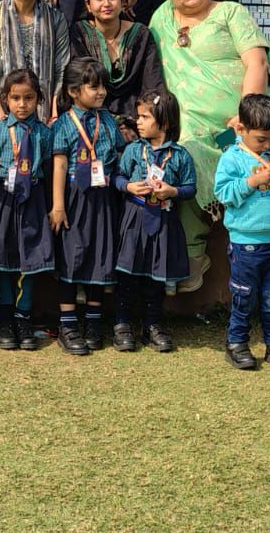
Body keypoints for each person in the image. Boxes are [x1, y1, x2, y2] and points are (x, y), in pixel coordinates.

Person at [148, 0, 270, 292]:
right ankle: (193, 253)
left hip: (240, 116)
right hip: (190, 120)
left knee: (254, 163)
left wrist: (247, 114)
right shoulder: (161, 19)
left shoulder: (231, 12)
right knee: (185, 154)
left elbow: (257, 62)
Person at [213, 94, 270, 371]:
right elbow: (223, 193)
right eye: (261, 139)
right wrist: (253, 181)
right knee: (243, 296)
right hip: (245, 243)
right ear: (241, 129)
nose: (267, 145)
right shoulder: (232, 158)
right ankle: (236, 344)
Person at [49, 57, 122, 356]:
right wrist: (58, 205)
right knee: (72, 256)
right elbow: (59, 164)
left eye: (103, 86)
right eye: (94, 87)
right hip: (74, 198)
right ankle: (67, 325)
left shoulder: (108, 121)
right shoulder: (64, 123)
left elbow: (118, 154)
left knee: (99, 256)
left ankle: (93, 323)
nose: (101, 92)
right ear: (73, 91)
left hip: (103, 198)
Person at [113, 89, 196, 353]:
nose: (138, 122)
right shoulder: (133, 150)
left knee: (155, 277)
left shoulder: (180, 155)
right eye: (138, 116)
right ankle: (122, 324)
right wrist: (128, 187)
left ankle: (152, 325)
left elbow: (190, 188)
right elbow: (117, 176)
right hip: (134, 219)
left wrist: (173, 191)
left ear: (166, 122)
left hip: (164, 220)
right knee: (127, 274)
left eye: (145, 117)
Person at [0, 68, 54, 351]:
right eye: (15, 98)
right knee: (2, 258)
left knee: (30, 260)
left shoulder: (45, 134)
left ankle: (22, 318)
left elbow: (49, 169)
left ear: (38, 99)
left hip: (33, 199)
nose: (22, 104)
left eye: (29, 98)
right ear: (5, 99)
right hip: (3, 199)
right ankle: (4, 321)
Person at [71, 0, 164, 119]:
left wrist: (145, 118)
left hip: (136, 117)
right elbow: (80, 83)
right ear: (88, 5)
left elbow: (152, 82)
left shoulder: (141, 34)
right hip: (92, 117)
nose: (106, 3)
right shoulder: (79, 34)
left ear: (123, 1)